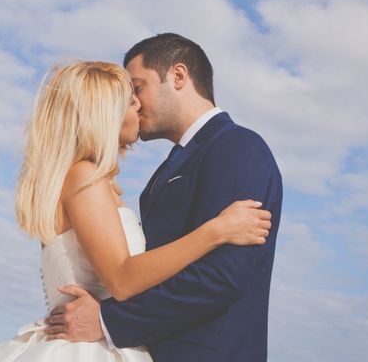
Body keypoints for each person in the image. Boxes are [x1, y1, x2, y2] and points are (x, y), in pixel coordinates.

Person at [0, 60, 272, 361]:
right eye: (130, 101)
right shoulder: (83, 177)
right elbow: (122, 278)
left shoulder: (86, 179)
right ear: (104, 114)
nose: (139, 107)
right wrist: (216, 231)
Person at [44, 34, 283, 362]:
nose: (136, 103)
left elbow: (221, 277)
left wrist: (108, 319)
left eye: (137, 88)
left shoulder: (238, 147)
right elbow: (142, 271)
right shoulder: (162, 173)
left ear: (179, 76)